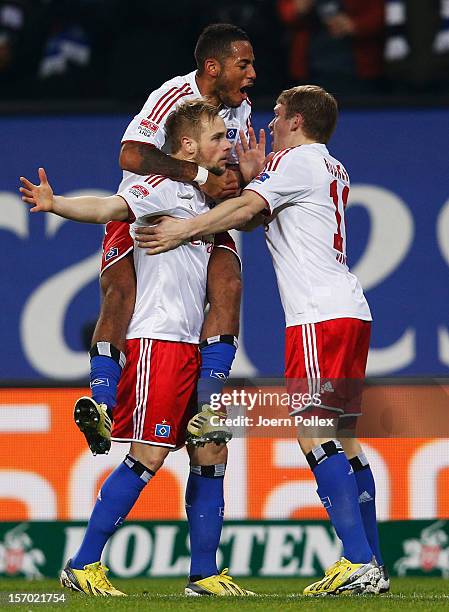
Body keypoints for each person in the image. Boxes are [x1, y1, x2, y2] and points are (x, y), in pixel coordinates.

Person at [136, 85, 389, 596]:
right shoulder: (327, 166)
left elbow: (238, 212)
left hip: (318, 317)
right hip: (349, 311)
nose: (269, 123)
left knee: (312, 433)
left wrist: (184, 230)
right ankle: (374, 566)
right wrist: (255, 179)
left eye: (276, 116)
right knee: (345, 438)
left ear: (296, 121)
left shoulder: (295, 163)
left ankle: (358, 560)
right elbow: (257, 216)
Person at [19, 100, 255, 597]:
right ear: (188, 147)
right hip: (158, 342)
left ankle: (204, 574)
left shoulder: (202, 201)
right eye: (218, 137)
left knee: (211, 449)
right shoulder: (163, 187)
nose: (226, 143)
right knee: (149, 455)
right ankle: (83, 564)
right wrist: (56, 203)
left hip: (191, 346)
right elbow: (110, 207)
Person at [75, 22, 257, 458]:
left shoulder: (242, 109)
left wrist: (243, 176)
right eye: (244, 64)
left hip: (202, 215)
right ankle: (102, 404)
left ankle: (209, 402)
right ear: (213, 67)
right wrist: (200, 176)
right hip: (146, 207)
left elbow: (228, 172)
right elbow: (131, 154)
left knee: (229, 283)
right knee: (119, 294)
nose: (252, 74)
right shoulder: (172, 94)